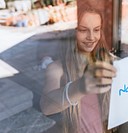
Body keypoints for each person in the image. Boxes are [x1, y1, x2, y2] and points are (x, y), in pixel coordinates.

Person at [40, 5, 118, 133]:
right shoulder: (57, 69)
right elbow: (46, 107)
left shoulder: (107, 60)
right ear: (71, 32)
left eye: (96, 29)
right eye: (83, 30)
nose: (91, 37)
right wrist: (80, 87)